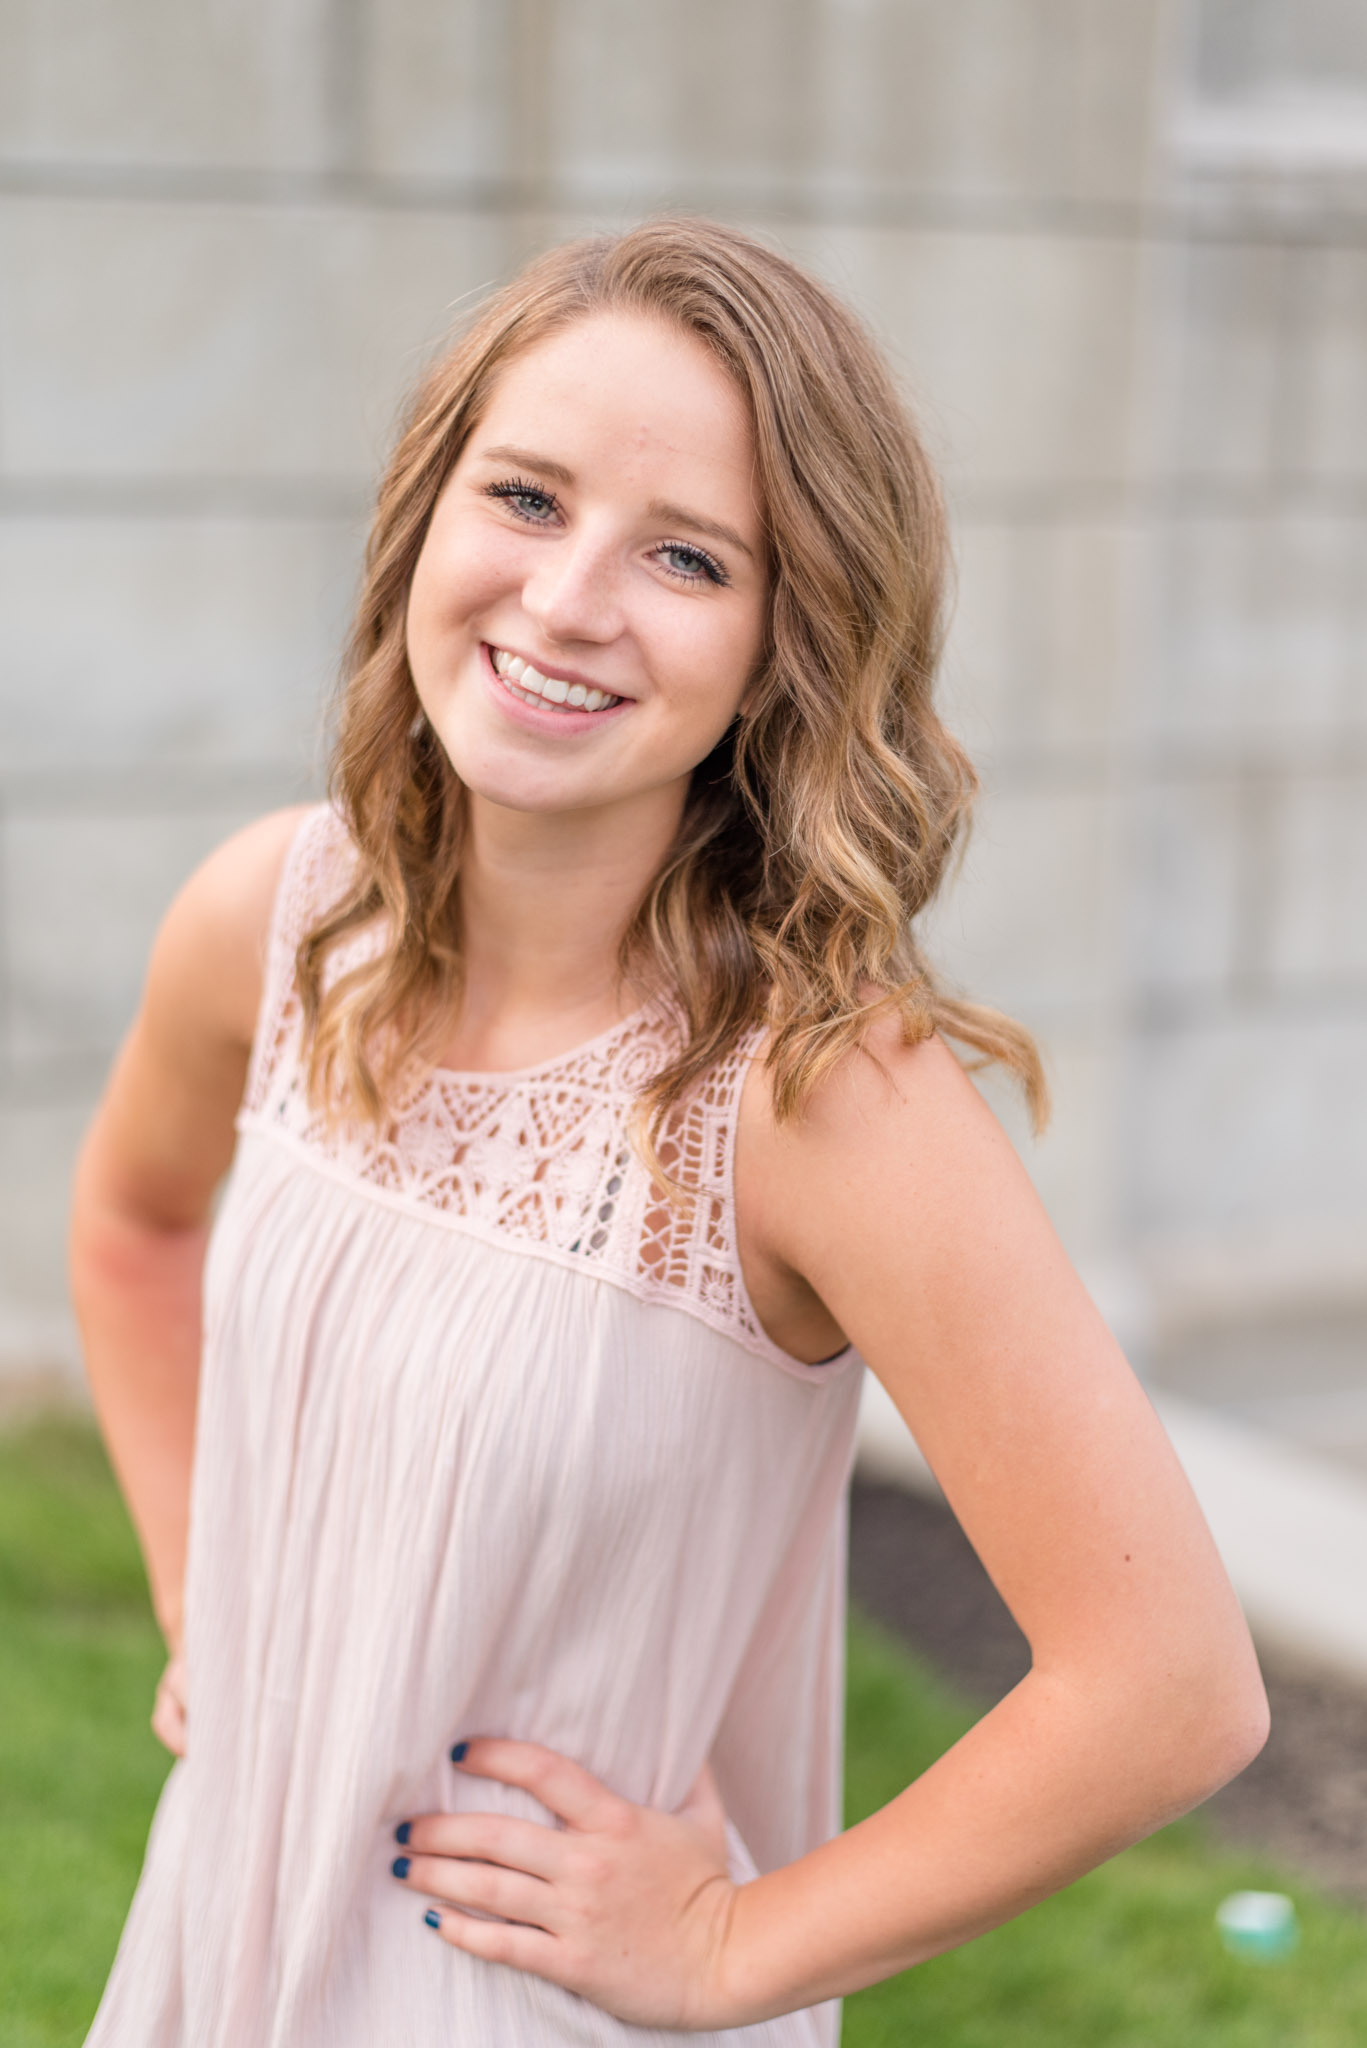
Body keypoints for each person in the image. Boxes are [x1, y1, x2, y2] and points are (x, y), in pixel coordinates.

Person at [70, 218, 1267, 2046]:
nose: (565, 601)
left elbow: (1170, 1685)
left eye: (688, 556)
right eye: (529, 498)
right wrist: (200, 1602)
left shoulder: (817, 1105)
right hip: (229, 1914)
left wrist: (728, 1950)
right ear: (425, 507)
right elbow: (133, 1225)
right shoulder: (277, 915)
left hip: (531, 2003)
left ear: (787, 644)